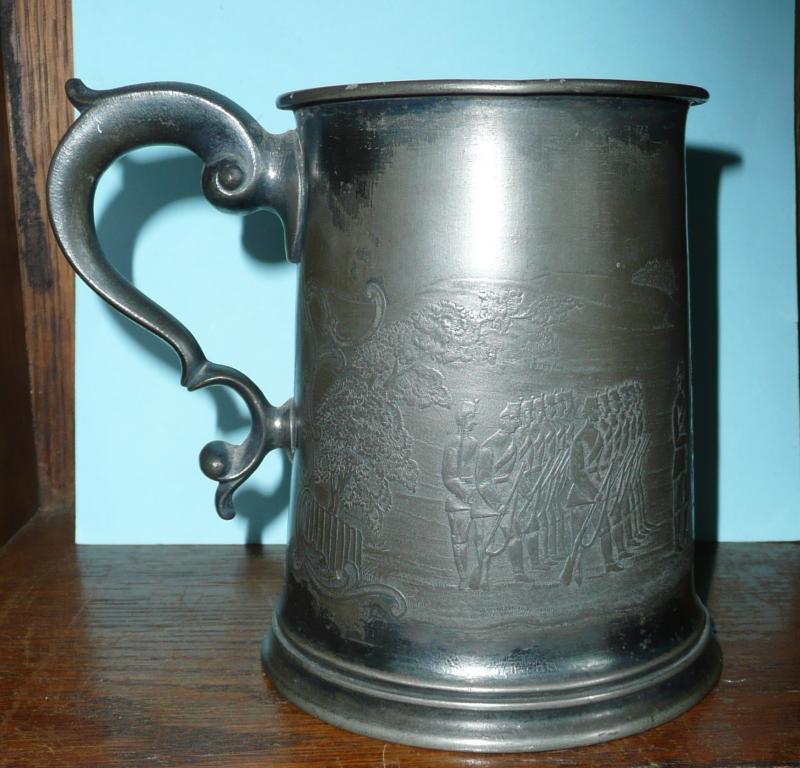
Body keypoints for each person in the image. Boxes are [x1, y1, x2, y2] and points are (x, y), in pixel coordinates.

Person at [565, 395, 622, 580]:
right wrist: (593, 492)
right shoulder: (580, 439)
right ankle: (575, 571)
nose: (600, 411)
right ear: (590, 413)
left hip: (595, 491)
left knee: (604, 526)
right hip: (581, 496)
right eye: (597, 409)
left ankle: (609, 563)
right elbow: (575, 473)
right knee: (578, 537)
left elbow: (594, 465)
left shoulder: (596, 434)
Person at [472, 401, 524, 588]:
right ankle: (483, 579)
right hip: (489, 500)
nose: (518, 422)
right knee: (485, 541)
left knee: (514, 535)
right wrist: (498, 503)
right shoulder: (489, 446)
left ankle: (519, 574)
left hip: (506, 495)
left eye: (518, 418)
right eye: (515, 418)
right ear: (504, 420)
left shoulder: (513, 442)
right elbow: (483, 482)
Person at [442, 399, 481, 587]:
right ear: (464, 419)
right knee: (460, 542)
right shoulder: (453, 443)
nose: (476, 421)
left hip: (477, 497)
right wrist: (467, 494)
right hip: (459, 502)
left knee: (480, 539)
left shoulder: (474, 442)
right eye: (473, 417)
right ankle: (463, 579)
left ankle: (480, 576)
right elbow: (449, 477)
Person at [672, 363, 690, 551]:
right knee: (678, 501)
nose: (682, 381)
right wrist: (685, 436)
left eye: (684, 377)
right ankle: (677, 539)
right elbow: (677, 439)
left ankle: (683, 535)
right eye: (680, 378)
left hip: (685, 456)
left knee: (685, 500)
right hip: (679, 457)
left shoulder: (684, 399)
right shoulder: (678, 402)